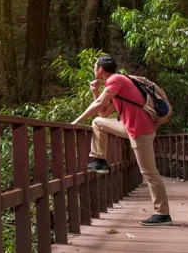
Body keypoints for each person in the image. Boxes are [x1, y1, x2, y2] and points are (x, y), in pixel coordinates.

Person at [69, 55, 172, 226]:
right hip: (131, 127)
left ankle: (163, 214)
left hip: (140, 131)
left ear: (100, 69)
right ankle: (99, 160)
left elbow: (100, 103)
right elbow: (103, 114)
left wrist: (77, 121)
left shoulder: (116, 79)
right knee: (98, 123)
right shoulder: (117, 85)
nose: (94, 70)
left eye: (95, 67)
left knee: (149, 173)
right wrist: (95, 92)